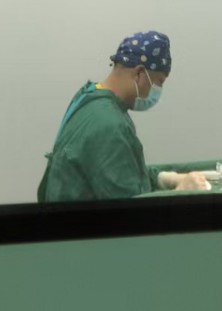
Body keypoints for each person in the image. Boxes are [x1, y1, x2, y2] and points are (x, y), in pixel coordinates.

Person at [37, 31, 210, 202]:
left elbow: (122, 173)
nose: (158, 90)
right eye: (159, 82)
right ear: (139, 74)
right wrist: (179, 193)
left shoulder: (90, 95)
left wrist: (162, 179)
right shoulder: (109, 124)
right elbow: (128, 206)